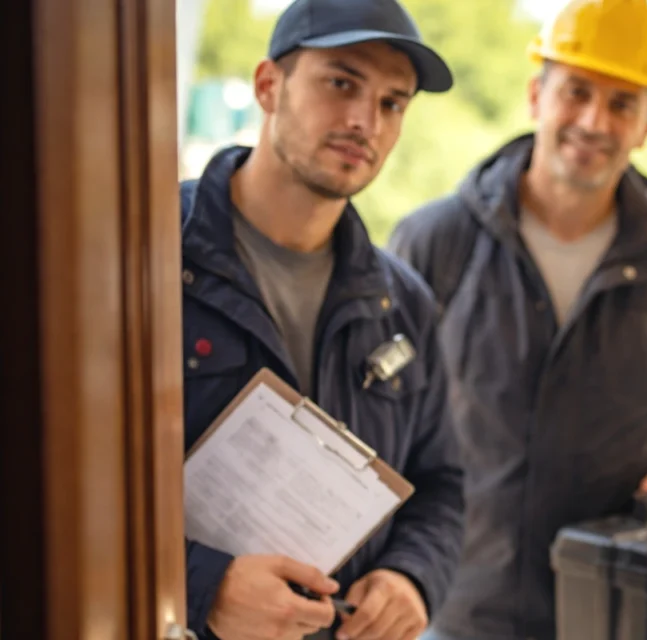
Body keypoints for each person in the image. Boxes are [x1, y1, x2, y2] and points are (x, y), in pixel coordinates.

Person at [386, 0, 647, 637]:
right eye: (576, 92)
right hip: (459, 610)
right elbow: (381, 420)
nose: (593, 121)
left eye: (621, 103)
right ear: (535, 95)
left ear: (645, 125)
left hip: (620, 612)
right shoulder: (434, 242)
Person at [179, 0, 464, 638]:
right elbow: (57, 484)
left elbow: (442, 482)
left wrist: (411, 577)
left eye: (393, 103)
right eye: (342, 83)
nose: (365, 121)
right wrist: (201, 588)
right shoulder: (145, 259)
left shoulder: (404, 303)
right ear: (267, 86)